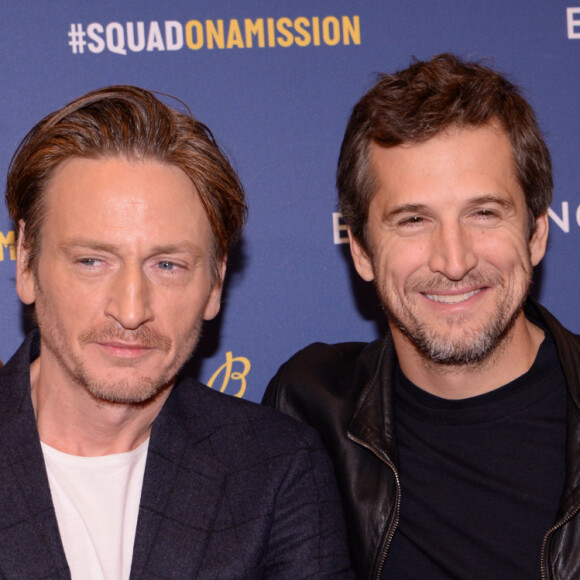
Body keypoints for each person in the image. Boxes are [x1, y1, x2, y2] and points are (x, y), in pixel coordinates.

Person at [0, 85, 352, 579]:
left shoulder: (275, 469)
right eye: (92, 261)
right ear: (27, 267)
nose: (130, 309)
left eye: (167, 265)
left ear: (215, 284)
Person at [263, 53, 580, 579]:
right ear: (361, 250)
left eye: (483, 213)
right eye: (413, 220)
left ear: (537, 233)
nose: (453, 261)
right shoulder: (310, 411)